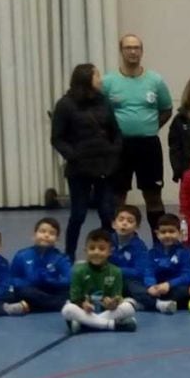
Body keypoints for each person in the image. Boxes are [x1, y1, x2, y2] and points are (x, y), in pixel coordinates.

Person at [51, 63, 122, 258]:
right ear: (86, 79)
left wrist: (114, 152)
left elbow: (115, 132)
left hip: (105, 167)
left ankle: (110, 254)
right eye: (97, 75)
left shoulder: (104, 101)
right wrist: (74, 155)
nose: (100, 79)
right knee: (78, 214)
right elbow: (57, 138)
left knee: (107, 213)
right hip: (79, 169)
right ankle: (69, 255)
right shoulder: (65, 104)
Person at [104, 34, 173, 235]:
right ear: (121, 51)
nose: (132, 52)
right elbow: (100, 113)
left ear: (142, 51)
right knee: (118, 195)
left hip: (148, 145)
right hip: (119, 147)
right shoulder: (108, 82)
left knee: (153, 195)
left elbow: (166, 109)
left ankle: (160, 242)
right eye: (128, 48)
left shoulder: (155, 80)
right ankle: (117, 242)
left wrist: (150, 126)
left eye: (136, 48)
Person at [61, 229, 138, 333]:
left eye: (101, 249)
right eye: (92, 248)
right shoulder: (78, 270)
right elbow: (75, 298)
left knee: (129, 307)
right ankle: (111, 325)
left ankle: (85, 325)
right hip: (85, 311)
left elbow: (117, 297)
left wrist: (112, 304)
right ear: (86, 250)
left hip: (106, 311)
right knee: (67, 309)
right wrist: (83, 304)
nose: (96, 252)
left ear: (110, 251)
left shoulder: (116, 271)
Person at [10, 218, 72, 312]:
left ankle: (30, 307)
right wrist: (29, 282)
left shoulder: (61, 258)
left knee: (68, 292)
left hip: (52, 290)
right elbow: (13, 278)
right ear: (34, 235)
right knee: (21, 292)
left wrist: (52, 281)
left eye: (52, 233)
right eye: (42, 231)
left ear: (57, 239)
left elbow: (68, 279)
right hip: (31, 290)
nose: (46, 235)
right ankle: (61, 304)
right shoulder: (22, 255)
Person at [146, 214, 190, 310]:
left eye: (172, 231)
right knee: (139, 288)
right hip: (157, 287)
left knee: (186, 290)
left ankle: (153, 304)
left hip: (174, 287)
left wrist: (169, 284)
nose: (167, 235)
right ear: (157, 234)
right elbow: (148, 272)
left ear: (180, 233)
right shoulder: (152, 253)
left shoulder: (185, 252)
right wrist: (151, 285)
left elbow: (187, 274)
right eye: (163, 232)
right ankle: (161, 304)